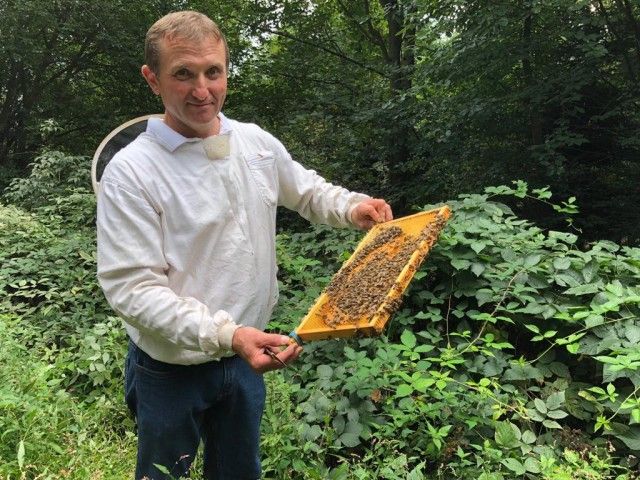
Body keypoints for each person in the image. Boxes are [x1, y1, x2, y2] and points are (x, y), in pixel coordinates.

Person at [96, 10, 393, 480]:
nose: (202, 90)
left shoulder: (254, 141)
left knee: (238, 473)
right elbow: (132, 288)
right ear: (152, 79)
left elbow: (308, 190)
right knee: (162, 475)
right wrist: (228, 334)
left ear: (226, 70)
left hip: (245, 360)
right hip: (171, 369)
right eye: (183, 74)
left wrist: (353, 207)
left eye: (213, 72)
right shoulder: (132, 171)